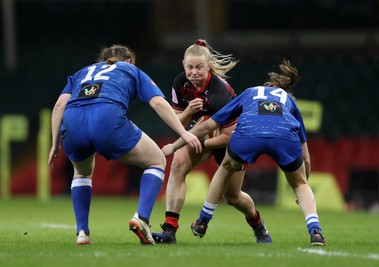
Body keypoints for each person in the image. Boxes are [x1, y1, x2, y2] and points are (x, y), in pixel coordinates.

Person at [47, 44, 201, 246]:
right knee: (156, 160)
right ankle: (142, 219)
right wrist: (183, 133)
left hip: (73, 122)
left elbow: (59, 105)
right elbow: (157, 102)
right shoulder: (130, 69)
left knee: (82, 174)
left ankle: (82, 232)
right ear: (129, 60)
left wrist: (54, 143)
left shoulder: (81, 73)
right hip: (106, 117)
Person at [162, 59, 326, 246]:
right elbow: (306, 156)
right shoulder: (289, 101)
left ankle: (203, 220)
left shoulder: (248, 93)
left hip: (248, 134)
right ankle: (315, 232)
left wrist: (175, 146)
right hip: (283, 134)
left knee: (225, 170)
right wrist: (303, 181)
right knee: (299, 184)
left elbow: (209, 125)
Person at [152, 39, 272, 244]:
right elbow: (177, 122)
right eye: (190, 67)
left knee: (232, 197)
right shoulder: (180, 83)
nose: (194, 72)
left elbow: (228, 136)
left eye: (199, 67)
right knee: (178, 164)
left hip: (231, 140)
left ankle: (259, 226)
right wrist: (189, 111)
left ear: (208, 66)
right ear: (183, 64)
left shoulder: (220, 93)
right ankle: (169, 230)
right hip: (202, 134)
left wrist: (201, 142)